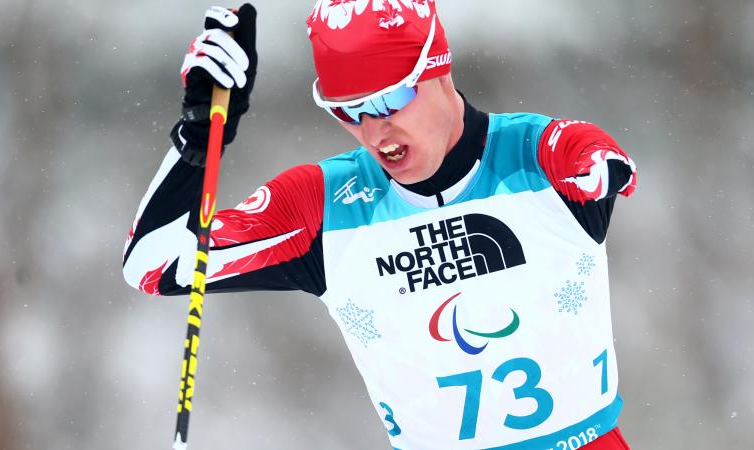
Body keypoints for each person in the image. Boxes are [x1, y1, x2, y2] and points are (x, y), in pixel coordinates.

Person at [123, 2, 637, 449]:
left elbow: (584, 149)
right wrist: (198, 136)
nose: (374, 130)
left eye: (390, 101)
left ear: (438, 70)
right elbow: (153, 263)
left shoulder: (534, 156)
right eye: (348, 111)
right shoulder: (324, 206)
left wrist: (603, 163)